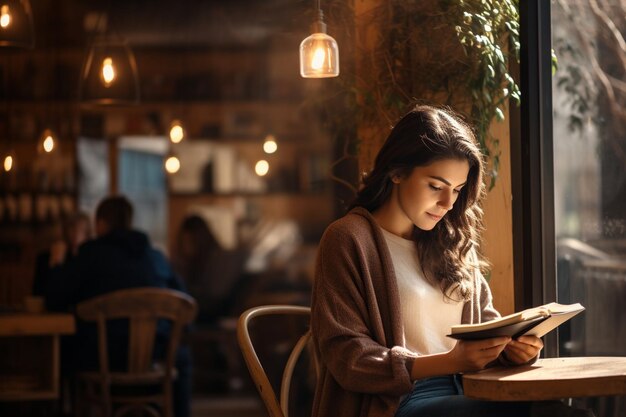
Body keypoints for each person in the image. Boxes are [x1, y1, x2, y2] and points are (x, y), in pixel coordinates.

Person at [310, 105, 594, 417]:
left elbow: (486, 326)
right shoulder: (348, 238)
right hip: (397, 403)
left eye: (457, 190)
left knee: (568, 413)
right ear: (397, 172)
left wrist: (513, 351)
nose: (447, 203)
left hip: (472, 389)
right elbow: (345, 355)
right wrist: (449, 362)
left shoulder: (453, 241)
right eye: (435, 186)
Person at [45, 195, 193, 417]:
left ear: (101, 224)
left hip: (103, 358)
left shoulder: (90, 255)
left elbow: (54, 299)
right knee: (181, 357)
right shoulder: (156, 257)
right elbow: (184, 304)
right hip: (153, 355)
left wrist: (56, 263)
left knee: (62, 351)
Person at [32, 211, 91, 297]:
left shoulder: (89, 258)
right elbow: (39, 291)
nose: (76, 234)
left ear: (87, 233)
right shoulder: (47, 257)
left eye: (81, 229)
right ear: (66, 231)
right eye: (72, 229)